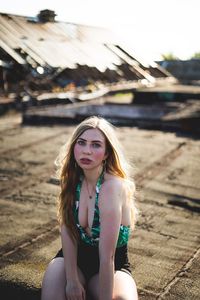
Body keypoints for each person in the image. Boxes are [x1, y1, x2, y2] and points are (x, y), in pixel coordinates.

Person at [41, 116, 138, 300]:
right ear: (74, 146)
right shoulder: (71, 178)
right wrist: (71, 280)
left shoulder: (112, 188)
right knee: (54, 294)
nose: (87, 151)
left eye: (96, 145)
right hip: (74, 261)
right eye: (82, 143)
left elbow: (107, 258)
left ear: (107, 153)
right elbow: (68, 230)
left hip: (112, 265)